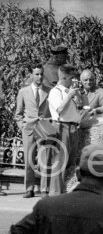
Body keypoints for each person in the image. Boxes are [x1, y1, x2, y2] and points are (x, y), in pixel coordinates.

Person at [14, 64, 52, 198]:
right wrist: (22, 127)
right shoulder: (23, 92)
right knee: (29, 160)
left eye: (41, 74)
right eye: (37, 74)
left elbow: (53, 110)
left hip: (44, 129)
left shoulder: (50, 91)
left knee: (45, 160)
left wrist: (50, 124)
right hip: (28, 129)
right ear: (31, 75)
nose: (40, 76)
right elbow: (18, 114)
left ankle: (44, 189)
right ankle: (29, 188)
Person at [48, 64, 82, 195]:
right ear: (63, 77)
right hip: (62, 127)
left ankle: (67, 190)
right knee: (60, 161)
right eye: (71, 78)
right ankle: (55, 194)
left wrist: (76, 96)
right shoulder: (55, 91)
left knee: (71, 162)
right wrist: (69, 96)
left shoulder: (69, 91)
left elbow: (79, 106)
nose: (73, 80)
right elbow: (59, 109)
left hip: (73, 126)